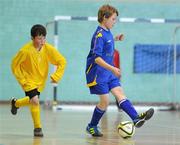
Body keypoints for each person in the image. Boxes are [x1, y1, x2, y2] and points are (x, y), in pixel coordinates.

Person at [85, 4, 154, 137]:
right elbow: (97, 58)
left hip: (108, 72)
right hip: (97, 73)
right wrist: (113, 69)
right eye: (113, 19)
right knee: (104, 102)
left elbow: (107, 45)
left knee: (120, 93)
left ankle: (135, 118)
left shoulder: (107, 32)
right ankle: (92, 126)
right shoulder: (98, 35)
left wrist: (115, 38)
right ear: (105, 18)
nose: (115, 22)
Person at [11, 24, 66, 137]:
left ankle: (16, 103)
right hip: (28, 80)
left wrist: (57, 76)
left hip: (40, 81)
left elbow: (62, 61)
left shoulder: (47, 48)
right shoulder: (25, 51)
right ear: (32, 38)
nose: (42, 41)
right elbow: (14, 65)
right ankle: (37, 128)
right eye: (39, 38)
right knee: (35, 101)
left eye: (44, 38)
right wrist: (22, 80)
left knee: (32, 100)